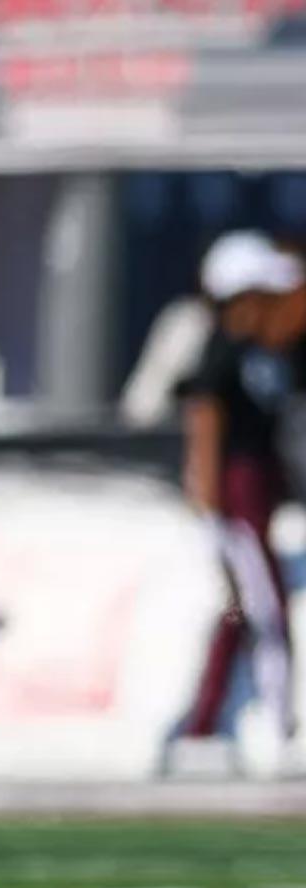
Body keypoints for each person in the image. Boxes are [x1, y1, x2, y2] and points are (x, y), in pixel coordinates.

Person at [161, 231, 304, 778]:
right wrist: (206, 494)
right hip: (236, 494)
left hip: (258, 493)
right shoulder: (223, 350)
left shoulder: (273, 351)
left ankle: (201, 726)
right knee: (265, 609)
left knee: (237, 611)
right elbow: (204, 419)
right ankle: (279, 728)